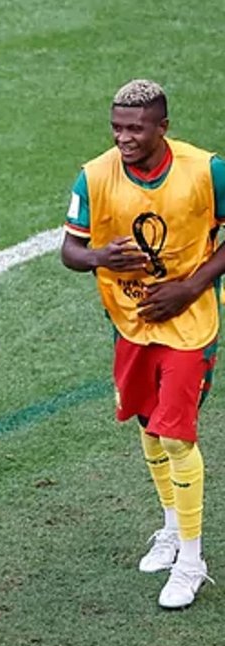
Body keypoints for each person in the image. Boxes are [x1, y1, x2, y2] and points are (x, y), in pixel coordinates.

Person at [61, 79, 225, 609]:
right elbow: (70, 250)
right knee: (149, 427)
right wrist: (100, 257)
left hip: (189, 325)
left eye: (135, 128)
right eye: (116, 127)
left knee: (175, 436)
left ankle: (192, 563)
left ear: (163, 128)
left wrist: (191, 286)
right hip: (130, 323)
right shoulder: (94, 175)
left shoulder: (206, 171)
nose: (123, 138)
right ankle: (172, 528)